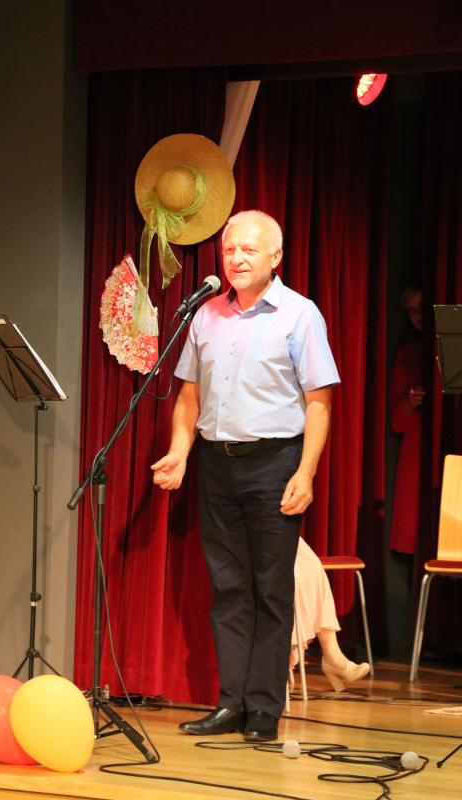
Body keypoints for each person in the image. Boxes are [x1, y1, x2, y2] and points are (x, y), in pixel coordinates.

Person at [151, 209, 340, 742]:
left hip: (275, 462)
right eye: (230, 249)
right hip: (217, 463)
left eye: (249, 250)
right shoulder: (205, 314)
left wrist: (306, 472)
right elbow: (189, 394)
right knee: (229, 587)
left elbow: (319, 401)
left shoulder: (300, 315)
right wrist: (180, 451)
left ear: (275, 257)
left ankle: (263, 708)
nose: (236, 258)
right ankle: (231, 703)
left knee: (270, 590)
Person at [291, 538, 370, 691]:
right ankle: (332, 661)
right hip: (248, 537)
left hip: (276, 530)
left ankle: (332, 655)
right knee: (293, 573)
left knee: (312, 565)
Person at [389, 283, 424, 554]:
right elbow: (397, 422)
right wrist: (409, 404)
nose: (417, 317)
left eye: (421, 309)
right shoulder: (408, 355)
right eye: (412, 311)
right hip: (418, 452)